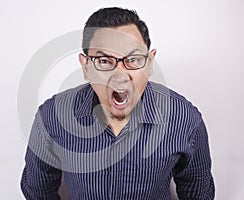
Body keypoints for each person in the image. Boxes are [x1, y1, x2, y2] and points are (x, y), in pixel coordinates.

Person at [20, 7, 215, 199]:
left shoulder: (185, 120)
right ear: (86, 66)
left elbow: (198, 194)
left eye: (133, 59)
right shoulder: (52, 117)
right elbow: (38, 191)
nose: (120, 75)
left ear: (149, 63)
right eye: (104, 61)